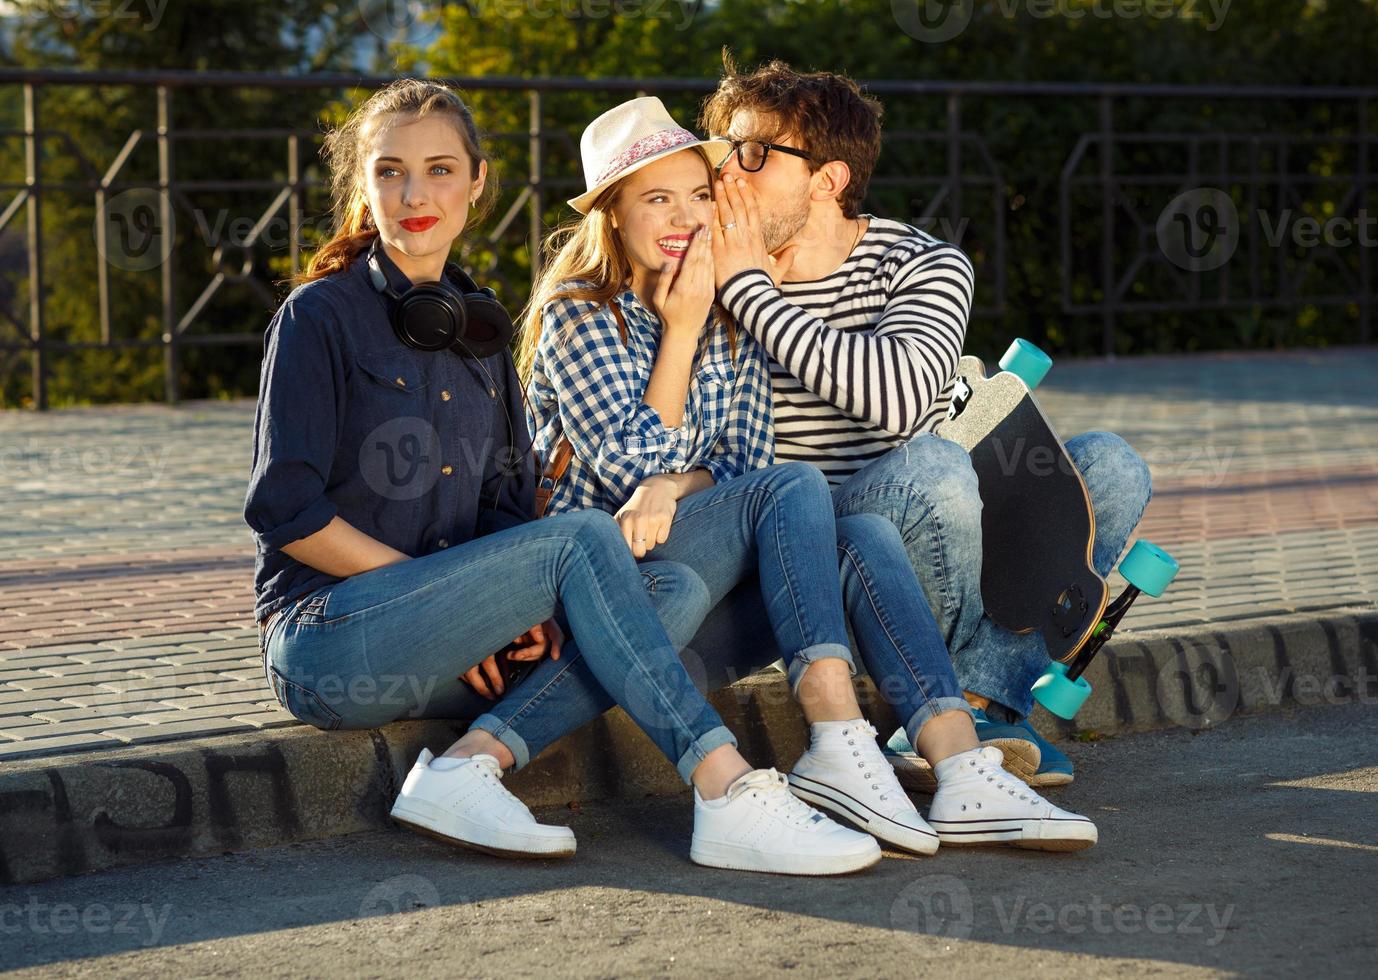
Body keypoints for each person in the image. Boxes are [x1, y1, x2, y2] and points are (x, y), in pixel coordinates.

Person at [244, 78, 884, 877]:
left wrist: (488, 610)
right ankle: (725, 789)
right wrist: (453, 597)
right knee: (583, 537)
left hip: (451, 655)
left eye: (441, 169)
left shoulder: (478, 327)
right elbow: (285, 511)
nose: (415, 194)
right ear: (361, 185)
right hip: (327, 643)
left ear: (476, 183)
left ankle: (465, 769)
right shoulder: (318, 317)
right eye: (390, 171)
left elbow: (507, 507)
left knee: (674, 594)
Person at [464, 96, 1097, 853]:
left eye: (698, 194)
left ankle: (959, 766)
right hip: (609, 601)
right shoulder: (581, 313)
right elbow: (637, 462)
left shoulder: (736, 317)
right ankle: (839, 735)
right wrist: (683, 333)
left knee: (857, 527)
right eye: (655, 199)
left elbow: (741, 461)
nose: (682, 216)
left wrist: (676, 484)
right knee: (801, 490)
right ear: (612, 214)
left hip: (708, 607)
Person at [697, 57, 1155, 787]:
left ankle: (976, 705)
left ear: (828, 178)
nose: (727, 172)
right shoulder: (710, 272)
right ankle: (951, 716)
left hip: (948, 526)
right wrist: (738, 285)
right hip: (822, 550)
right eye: (722, 149)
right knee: (934, 469)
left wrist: (753, 294)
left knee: (1111, 463)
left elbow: (901, 400)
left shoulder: (922, 263)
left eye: (752, 152)